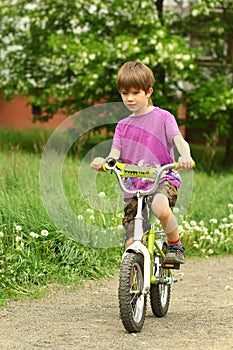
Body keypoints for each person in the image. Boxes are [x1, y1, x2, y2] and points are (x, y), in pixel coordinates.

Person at [91, 61, 194, 264]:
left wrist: (185, 156)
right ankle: (130, 287)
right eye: (124, 93)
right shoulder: (122, 126)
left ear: (148, 92)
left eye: (135, 92)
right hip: (133, 184)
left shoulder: (163, 117)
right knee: (131, 239)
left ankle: (174, 244)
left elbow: (180, 141)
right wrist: (105, 162)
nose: (129, 98)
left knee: (159, 207)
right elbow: (114, 153)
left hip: (162, 177)